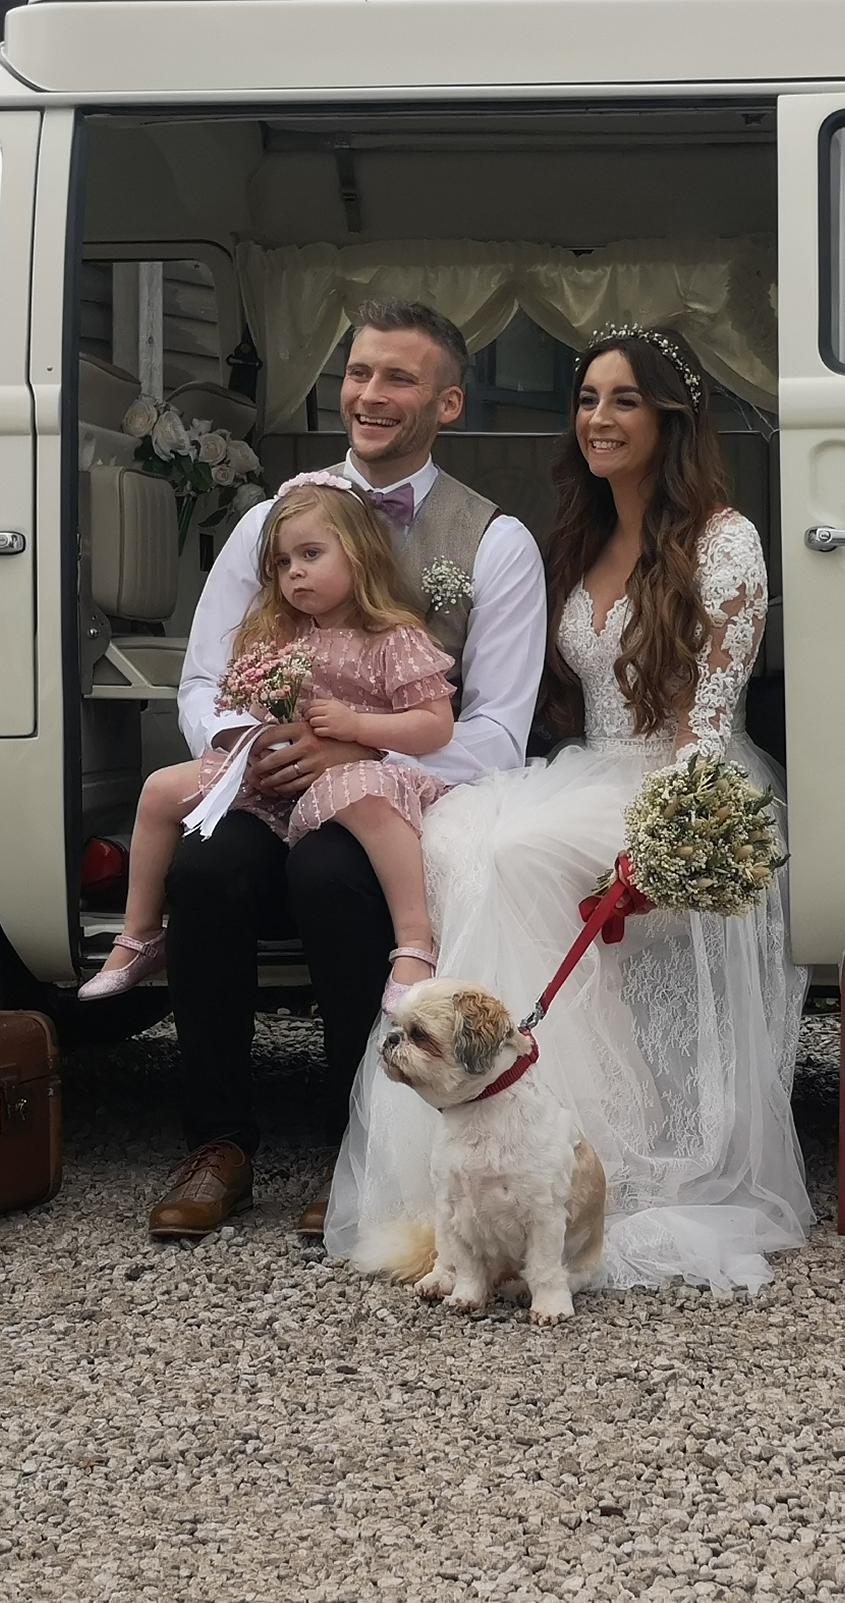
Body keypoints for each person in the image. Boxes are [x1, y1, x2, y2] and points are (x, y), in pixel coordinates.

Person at [327, 325, 812, 1295]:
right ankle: (474, 1175)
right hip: (589, 772)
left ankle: (587, 1150)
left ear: (671, 418)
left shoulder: (726, 542)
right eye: (587, 400)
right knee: (466, 834)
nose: (598, 418)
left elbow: (707, 733)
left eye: (623, 400)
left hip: (686, 789)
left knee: (514, 853)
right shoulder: (585, 534)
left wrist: (660, 848)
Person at [147, 300, 547, 1240]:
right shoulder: (274, 520)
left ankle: (354, 1147)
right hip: (267, 772)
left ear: (447, 404)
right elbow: (203, 678)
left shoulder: (495, 541)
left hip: (398, 791)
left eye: (398, 378)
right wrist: (250, 746)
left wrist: (359, 746)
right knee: (207, 867)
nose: (369, 395)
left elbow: (497, 730)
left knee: (331, 872)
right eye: (358, 373)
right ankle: (218, 1142)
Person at [79, 472, 456, 1010]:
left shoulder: (394, 638)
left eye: (310, 554)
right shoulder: (277, 636)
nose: (295, 572)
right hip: (278, 780)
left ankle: (415, 941)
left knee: (370, 798)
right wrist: (256, 729)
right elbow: (240, 701)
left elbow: (434, 724)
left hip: (353, 775)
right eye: (282, 563)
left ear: (360, 555)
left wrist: (358, 728)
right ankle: (140, 934)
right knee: (162, 789)